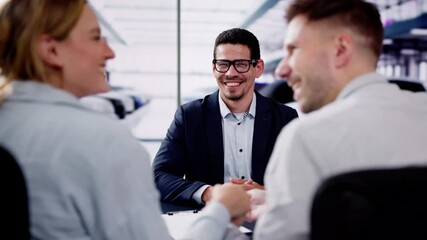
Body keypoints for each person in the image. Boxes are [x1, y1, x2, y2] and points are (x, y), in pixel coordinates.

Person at [0, 1, 250, 239]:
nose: (109, 53)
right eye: (95, 37)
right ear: (51, 50)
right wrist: (221, 210)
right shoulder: (102, 141)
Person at [249, 0, 427, 239]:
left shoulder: (305, 138)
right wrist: (280, 199)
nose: (282, 70)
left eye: (293, 50)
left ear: (341, 49)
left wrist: (221, 212)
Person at [152, 28, 298, 206]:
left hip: (266, 222)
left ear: (258, 68)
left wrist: (267, 193)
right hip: (211, 220)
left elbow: (301, 181)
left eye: (241, 64)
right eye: (223, 64)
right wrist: (210, 193)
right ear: (214, 68)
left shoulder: (285, 118)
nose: (230, 73)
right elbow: (159, 176)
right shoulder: (190, 116)